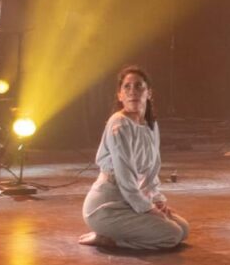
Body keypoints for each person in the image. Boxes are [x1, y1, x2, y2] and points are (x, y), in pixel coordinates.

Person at [78, 66, 189, 250]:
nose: (133, 92)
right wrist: (148, 208)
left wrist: (157, 200)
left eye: (139, 87)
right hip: (106, 206)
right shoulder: (119, 124)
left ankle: (118, 232)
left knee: (183, 229)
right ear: (120, 95)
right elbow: (125, 177)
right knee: (172, 235)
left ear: (149, 93)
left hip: (129, 201)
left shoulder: (150, 125)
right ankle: (110, 239)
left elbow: (152, 169)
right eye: (127, 87)